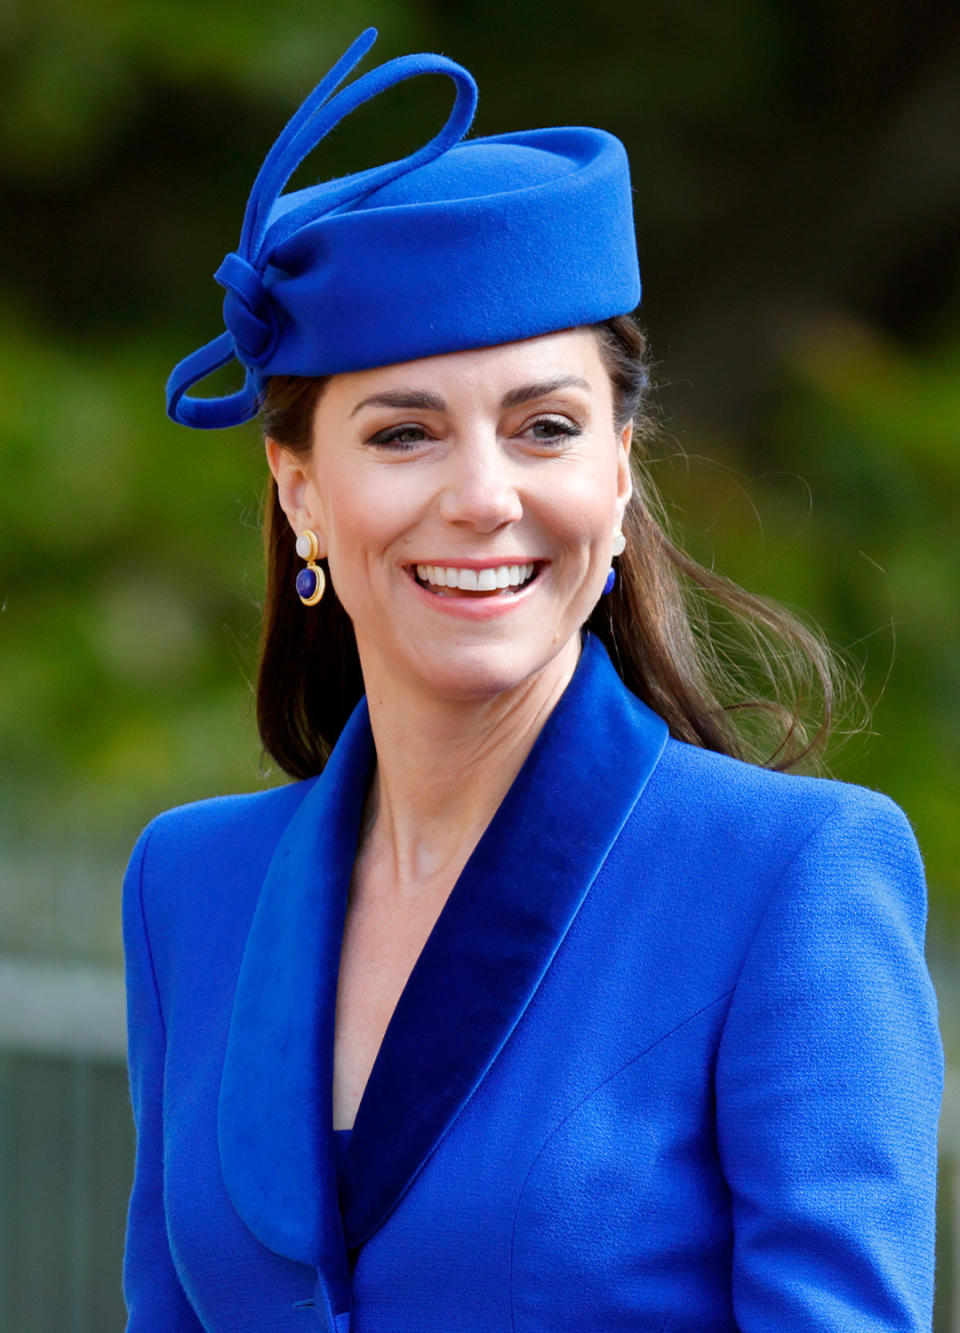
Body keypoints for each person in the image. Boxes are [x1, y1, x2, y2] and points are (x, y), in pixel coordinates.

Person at [121, 27, 943, 1333]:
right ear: (300, 491)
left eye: (543, 427)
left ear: (616, 476)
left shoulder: (791, 874)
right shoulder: (189, 886)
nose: (484, 497)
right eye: (404, 432)